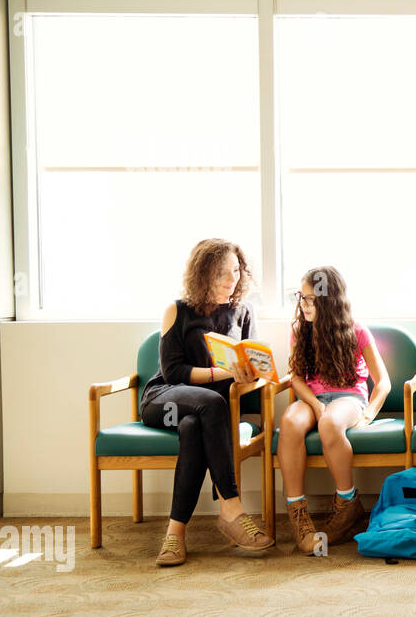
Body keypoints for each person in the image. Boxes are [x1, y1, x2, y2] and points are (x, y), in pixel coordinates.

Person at [141, 239, 275, 566]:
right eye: (221, 275)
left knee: (193, 426)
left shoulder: (243, 311)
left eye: (235, 272)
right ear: (202, 276)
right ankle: (231, 507)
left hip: (205, 412)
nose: (231, 281)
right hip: (165, 398)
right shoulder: (178, 310)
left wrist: (249, 375)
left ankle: (174, 534)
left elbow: (248, 365)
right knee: (207, 407)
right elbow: (173, 372)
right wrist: (220, 373)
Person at [276, 266, 389, 554]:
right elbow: (297, 378)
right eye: (301, 297)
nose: (304, 305)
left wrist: (369, 414)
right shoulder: (300, 331)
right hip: (312, 399)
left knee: (329, 424)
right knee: (289, 422)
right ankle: (298, 514)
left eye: (311, 299)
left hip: (348, 398)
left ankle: (347, 502)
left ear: (330, 300)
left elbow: (383, 382)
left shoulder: (356, 330)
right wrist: (314, 404)